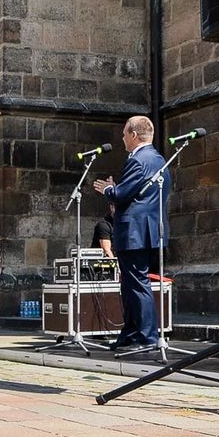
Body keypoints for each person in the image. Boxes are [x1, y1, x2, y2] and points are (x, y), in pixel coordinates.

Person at [94, 115, 166, 356]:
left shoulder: (139, 160)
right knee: (131, 284)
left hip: (135, 231)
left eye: (125, 134)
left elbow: (122, 193)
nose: (123, 138)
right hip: (147, 230)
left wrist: (108, 189)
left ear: (134, 135)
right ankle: (131, 333)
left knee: (137, 284)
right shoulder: (157, 159)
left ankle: (146, 335)